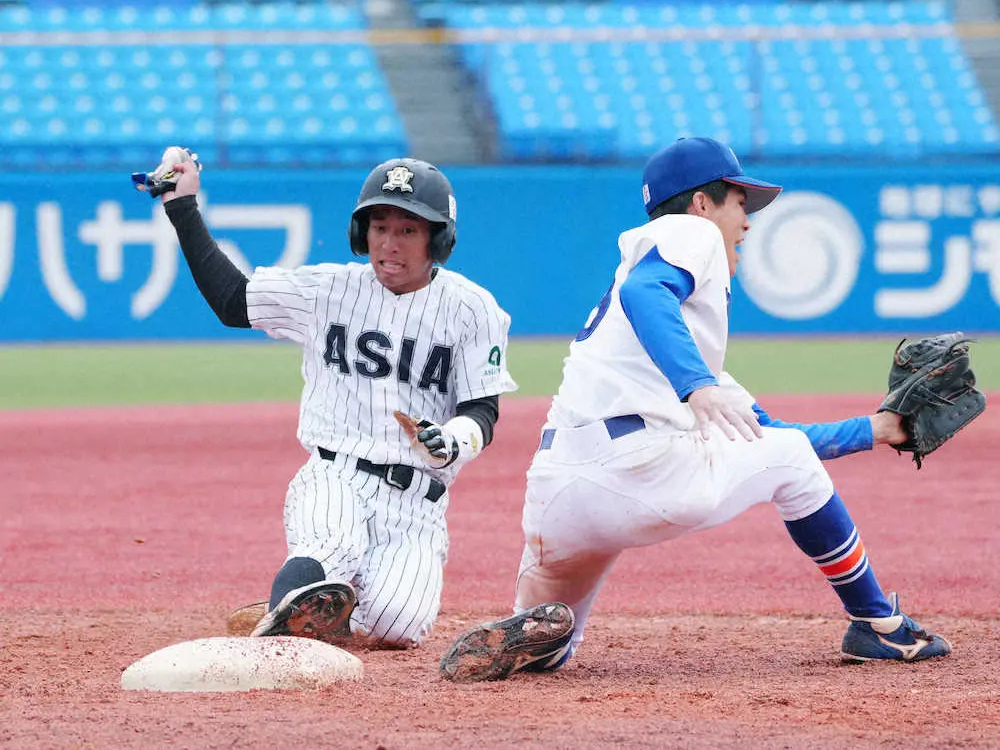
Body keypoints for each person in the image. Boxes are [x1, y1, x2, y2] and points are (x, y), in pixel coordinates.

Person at [439, 136, 952, 682]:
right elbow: (646, 291)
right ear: (702, 203)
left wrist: (880, 430)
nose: (747, 223)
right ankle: (878, 624)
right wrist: (695, 385)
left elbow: (769, 437)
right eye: (739, 202)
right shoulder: (689, 233)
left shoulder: (675, 344)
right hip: (636, 472)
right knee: (790, 460)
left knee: (555, 643)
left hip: (558, 495)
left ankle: (539, 642)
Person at [158, 151, 517, 648]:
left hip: (416, 503)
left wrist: (452, 441)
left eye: (408, 230)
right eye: (379, 227)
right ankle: (290, 615)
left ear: (439, 239)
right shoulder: (330, 289)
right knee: (329, 547)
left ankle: (297, 607)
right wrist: (183, 207)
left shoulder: (473, 309)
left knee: (397, 627)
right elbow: (231, 301)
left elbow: (483, 410)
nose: (389, 244)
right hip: (335, 472)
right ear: (360, 233)